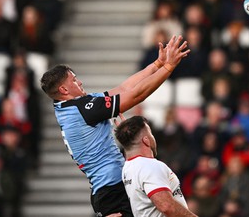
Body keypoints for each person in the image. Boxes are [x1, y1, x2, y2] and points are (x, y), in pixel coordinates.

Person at [40, 35, 190, 216]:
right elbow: (134, 96)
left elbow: (123, 89)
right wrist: (168, 67)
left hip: (107, 190)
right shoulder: (83, 109)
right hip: (112, 191)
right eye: (73, 80)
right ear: (64, 90)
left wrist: (157, 64)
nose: (79, 82)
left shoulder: (69, 108)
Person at [114, 115, 197, 217]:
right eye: (151, 134)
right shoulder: (149, 166)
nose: (153, 138)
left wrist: (127, 131)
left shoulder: (127, 168)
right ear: (146, 140)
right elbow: (166, 206)